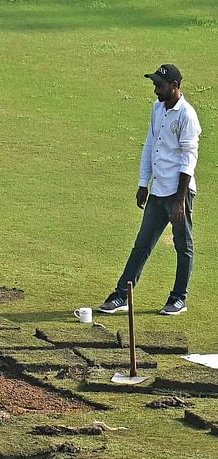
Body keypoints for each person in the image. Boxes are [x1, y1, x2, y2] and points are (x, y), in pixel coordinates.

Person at [99, 64, 202, 316]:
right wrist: (143, 183)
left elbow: (189, 158)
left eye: (160, 85)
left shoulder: (187, 115)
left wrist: (180, 200)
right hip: (158, 191)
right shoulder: (158, 109)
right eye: (155, 84)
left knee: (183, 245)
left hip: (179, 193)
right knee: (142, 243)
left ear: (175, 86)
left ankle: (179, 298)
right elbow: (150, 146)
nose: (156, 89)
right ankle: (122, 294)